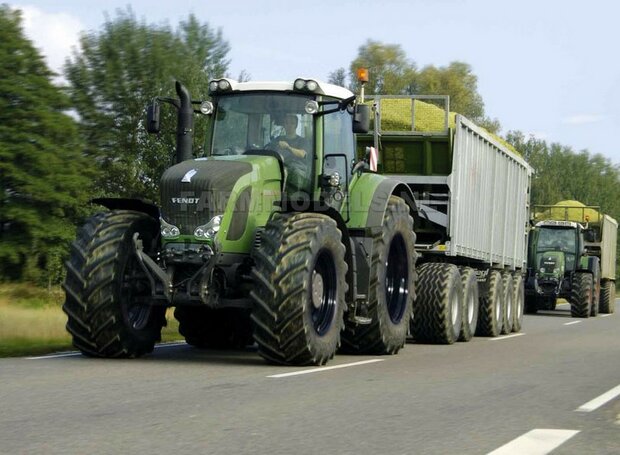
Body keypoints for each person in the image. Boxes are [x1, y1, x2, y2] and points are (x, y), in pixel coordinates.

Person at [266, 114, 310, 191]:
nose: (289, 125)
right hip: (280, 168)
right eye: (287, 123)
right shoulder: (277, 139)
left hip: (297, 170)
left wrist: (288, 147)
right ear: (284, 125)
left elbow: (302, 154)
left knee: (295, 173)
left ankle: (295, 197)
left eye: (292, 123)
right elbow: (269, 151)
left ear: (296, 125)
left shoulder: (303, 141)